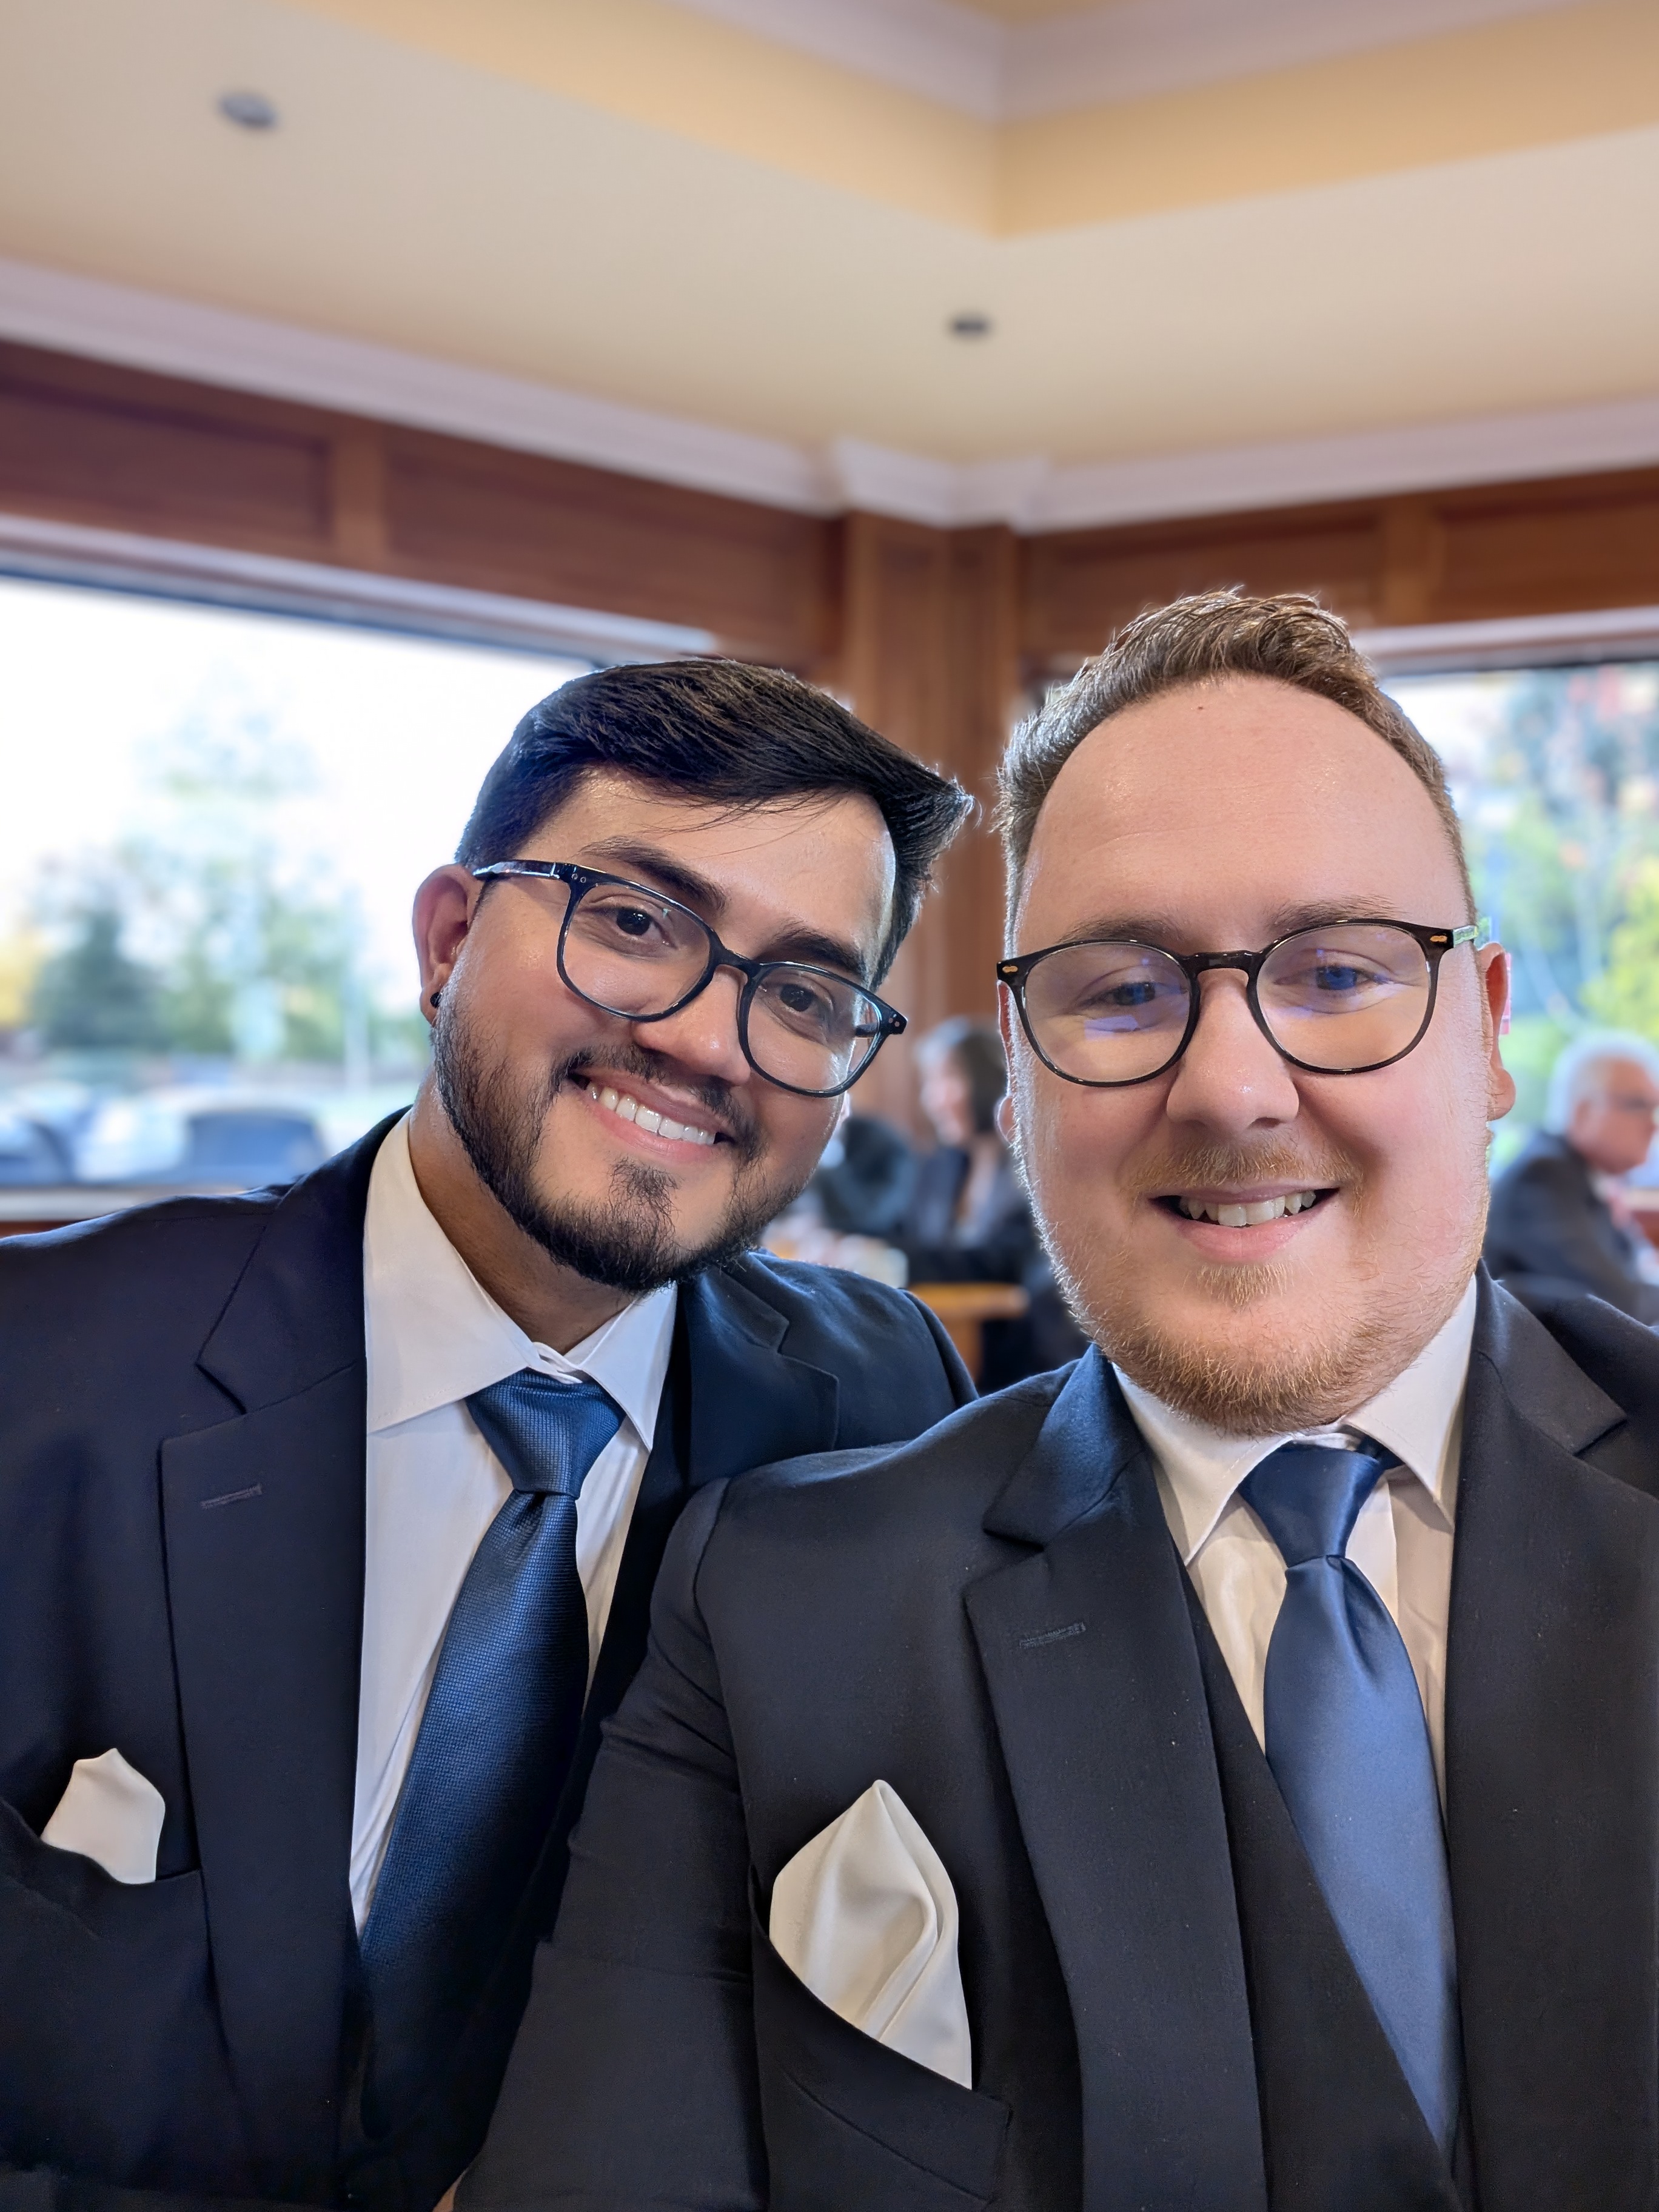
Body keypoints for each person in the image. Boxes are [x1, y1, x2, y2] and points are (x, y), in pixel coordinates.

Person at [468, 594, 1659, 2212]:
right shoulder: (769, 1609)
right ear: (1019, 1088)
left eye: (1336, 972)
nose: (1230, 1088)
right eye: (1120, 992)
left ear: (1489, 1031)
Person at [0, 660, 977, 2212]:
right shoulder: (46, 1367)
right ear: (449, 938)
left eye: (802, 994)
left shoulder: (877, 1407)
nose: (710, 1043)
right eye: (634, 922)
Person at [900, 1017, 1084, 1384]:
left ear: (986, 1079)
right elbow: (904, 1234)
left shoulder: (1035, 1166)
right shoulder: (940, 1168)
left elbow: (1003, 1261)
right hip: (946, 1345)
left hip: (1023, 1361)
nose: (932, 1100)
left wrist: (893, 1259)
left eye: (947, 1079)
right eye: (929, 1084)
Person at [1484, 1030, 1659, 1319]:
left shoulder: (1584, 1176)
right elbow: (1618, 1302)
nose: (1653, 1126)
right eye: (1639, 1105)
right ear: (1585, 1111)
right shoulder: (1543, 1177)